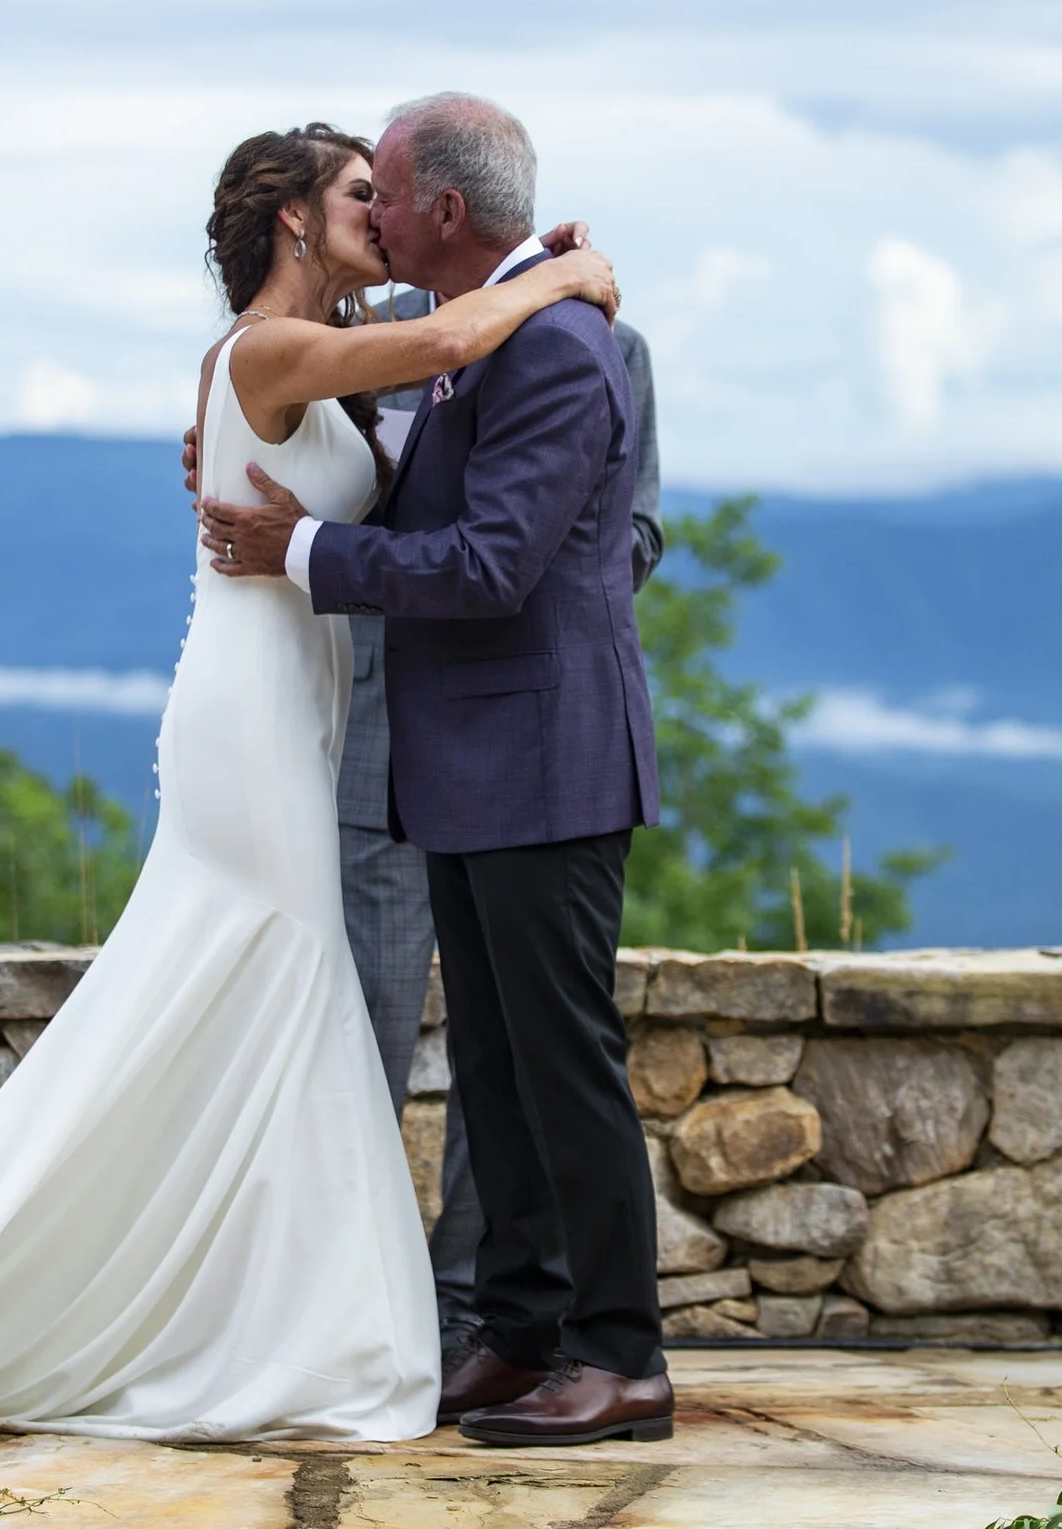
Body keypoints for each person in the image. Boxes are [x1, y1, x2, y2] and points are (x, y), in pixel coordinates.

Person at [0, 120, 617, 1443]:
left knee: (246, 993)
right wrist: (558, 277)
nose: (381, 212)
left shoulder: (318, 358)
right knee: (292, 974)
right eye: (358, 195)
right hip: (252, 714)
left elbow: (421, 411)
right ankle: (297, 1325)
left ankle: (245, 1309)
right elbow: (440, 344)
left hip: (305, 712)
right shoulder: (269, 349)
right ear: (294, 223)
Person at [202, 92, 671, 1448]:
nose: (379, 218)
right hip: (476, 767)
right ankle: (520, 1336)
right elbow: (427, 503)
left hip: (543, 759)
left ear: (445, 214)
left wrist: (298, 553)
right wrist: (290, 482)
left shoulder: (560, 351)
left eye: (389, 195)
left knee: (564, 1063)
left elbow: (490, 565)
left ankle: (620, 1352)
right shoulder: (482, 347)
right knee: (504, 1068)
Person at [357, 291, 665, 1355]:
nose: (377, 214)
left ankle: (500, 1316)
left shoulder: (593, 337)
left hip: (519, 742)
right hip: (360, 742)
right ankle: (368, 1299)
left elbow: (630, 529)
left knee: (537, 1054)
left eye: (382, 189)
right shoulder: (353, 348)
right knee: (376, 1039)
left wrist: (521, 601)